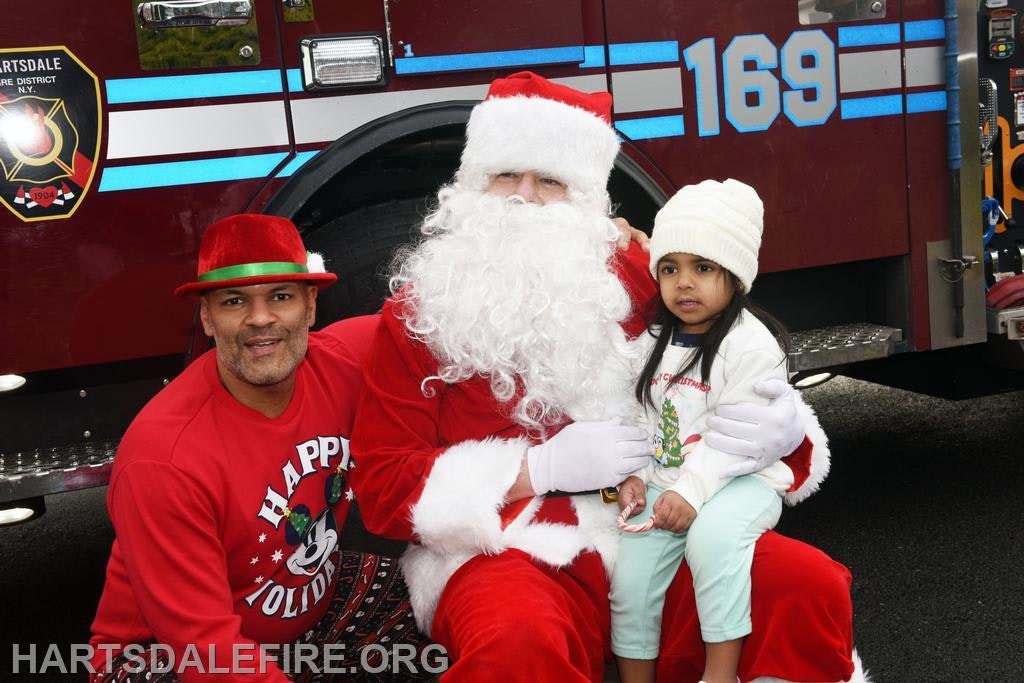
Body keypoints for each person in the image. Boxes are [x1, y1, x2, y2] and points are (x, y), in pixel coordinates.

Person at [349, 71, 868, 682]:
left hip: (653, 521)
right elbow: (383, 486)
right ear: (469, 185)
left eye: (550, 180)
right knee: (516, 644)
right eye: (505, 174)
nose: (524, 195)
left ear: (587, 197)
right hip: (506, 549)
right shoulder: (420, 311)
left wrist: (780, 426)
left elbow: (732, 363)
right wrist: (532, 470)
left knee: (803, 586)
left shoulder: (638, 279)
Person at [88, 214, 433, 682]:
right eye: (234, 302)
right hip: (164, 658)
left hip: (302, 623)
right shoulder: (163, 459)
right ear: (207, 318)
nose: (260, 318)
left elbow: (443, 323)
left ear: (310, 306)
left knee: (436, 594)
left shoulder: (345, 361)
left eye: (281, 296)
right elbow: (208, 651)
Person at [610, 179, 795, 683]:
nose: (683, 283)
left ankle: (719, 675)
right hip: (666, 482)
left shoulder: (751, 347)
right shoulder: (651, 339)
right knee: (629, 578)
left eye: (703, 267)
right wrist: (627, 473)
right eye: (670, 268)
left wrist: (692, 492)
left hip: (740, 480)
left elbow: (739, 440)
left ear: (735, 277)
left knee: (712, 540)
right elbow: (632, 414)